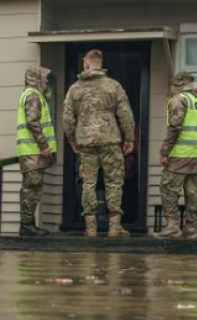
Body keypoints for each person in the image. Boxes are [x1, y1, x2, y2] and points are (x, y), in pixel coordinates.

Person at [62, 49, 135, 238]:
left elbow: (67, 118)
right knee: (114, 182)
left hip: (85, 140)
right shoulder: (113, 86)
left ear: (86, 64)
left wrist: (72, 140)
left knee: (88, 183)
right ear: (100, 64)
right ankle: (114, 227)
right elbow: (125, 113)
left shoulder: (75, 89)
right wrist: (129, 138)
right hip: (110, 139)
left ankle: (91, 227)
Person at [154, 72, 197, 240]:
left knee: (168, 188)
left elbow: (175, 127)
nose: (170, 89)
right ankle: (191, 229)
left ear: (178, 85)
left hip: (180, 155)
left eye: (172, 85)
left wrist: (164, 152)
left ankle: (172, 227)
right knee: (192, 192)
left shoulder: (180, 100)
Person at [16, 66, 57, 237]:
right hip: (33, 152)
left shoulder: (33, 95)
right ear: (37, 78)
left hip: (32, 153)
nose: (47, 82)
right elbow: (32, 122)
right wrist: (44, 146)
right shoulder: (33, 96)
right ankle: (26, 226)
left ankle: (29, 225)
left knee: (32, 188)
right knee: (31, 189)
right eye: (45, 78)